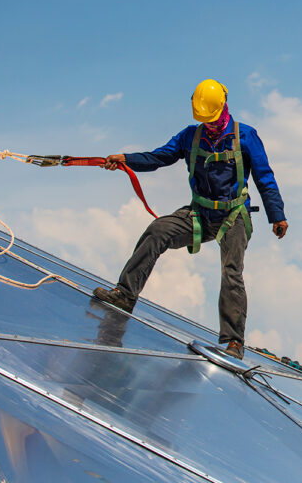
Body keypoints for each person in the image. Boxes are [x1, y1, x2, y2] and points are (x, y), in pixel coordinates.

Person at [93, 79, 288, 360]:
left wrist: (277, 215)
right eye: (203, 120)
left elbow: (264, 178)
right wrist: (126, 159)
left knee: (231, 271)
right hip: (199, 213)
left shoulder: (246, 136)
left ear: (224, 107)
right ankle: (125, 295)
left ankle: (234, 342)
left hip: (233, 216)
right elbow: (159, 157)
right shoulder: (190, 137)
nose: (208, 124)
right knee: (157, 230)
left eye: (212, 119)